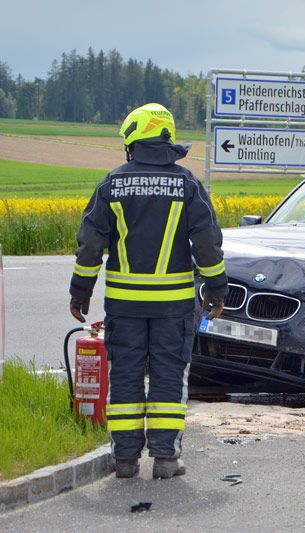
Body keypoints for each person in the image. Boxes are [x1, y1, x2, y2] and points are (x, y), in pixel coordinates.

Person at [69, 103, 228, 479]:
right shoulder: (187, 183)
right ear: (165, 136)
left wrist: (80, 291)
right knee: (168, 376)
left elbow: (90, 245)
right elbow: (206, 243)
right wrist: (216, 290)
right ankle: (166, 459)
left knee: (124, 374)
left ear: (135, 141)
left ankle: (124, 460)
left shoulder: (112, 183)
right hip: (173, 306)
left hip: (124, 305)